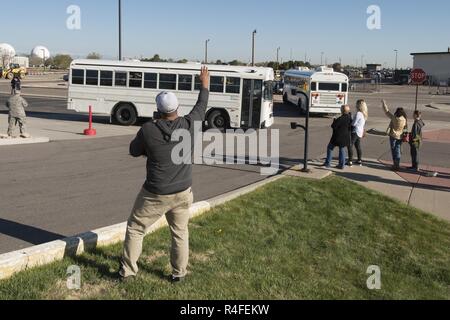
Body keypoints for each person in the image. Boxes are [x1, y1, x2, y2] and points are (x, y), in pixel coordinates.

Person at [118, 66, 210, 283]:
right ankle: (179, 274)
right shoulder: (191, 123)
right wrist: (204, 83)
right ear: (177, 108)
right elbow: (202, 104)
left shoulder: (148, 129)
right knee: (180, 233)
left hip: (155, 193)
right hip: (183, 191)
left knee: (135, 228)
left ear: (158, 110)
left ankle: (128, 272)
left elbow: (133, 151)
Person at [324, 105, 352, 169]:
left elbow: (333, 126)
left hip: (337, 137)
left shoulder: (340, 118)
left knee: (330, 148)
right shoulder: (349, 118)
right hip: (346, 137)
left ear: (342, 110)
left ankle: (328, 163)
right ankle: (341, 164)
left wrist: (334, 120)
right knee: (342, 149)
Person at [382, 100, 408, 171]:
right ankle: (397, 164)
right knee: (398, 150)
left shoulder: (394, 118)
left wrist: (384, 104)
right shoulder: (404, 120)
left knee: (393, 150)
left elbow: (387, 112)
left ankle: (395, 165)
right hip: (400, 136)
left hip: (393, 136)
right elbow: (405, 128)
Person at [348, 100, 369, 167]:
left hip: (355, 131)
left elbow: (353, 123)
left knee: (350, 145)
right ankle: (359, 160)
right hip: (360, 131)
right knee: (357, 146)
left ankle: (350, 161)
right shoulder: (364, 114)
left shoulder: (358, 113)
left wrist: (350, 119)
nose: (355, 105)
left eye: (356, 104)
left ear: (359, 105)